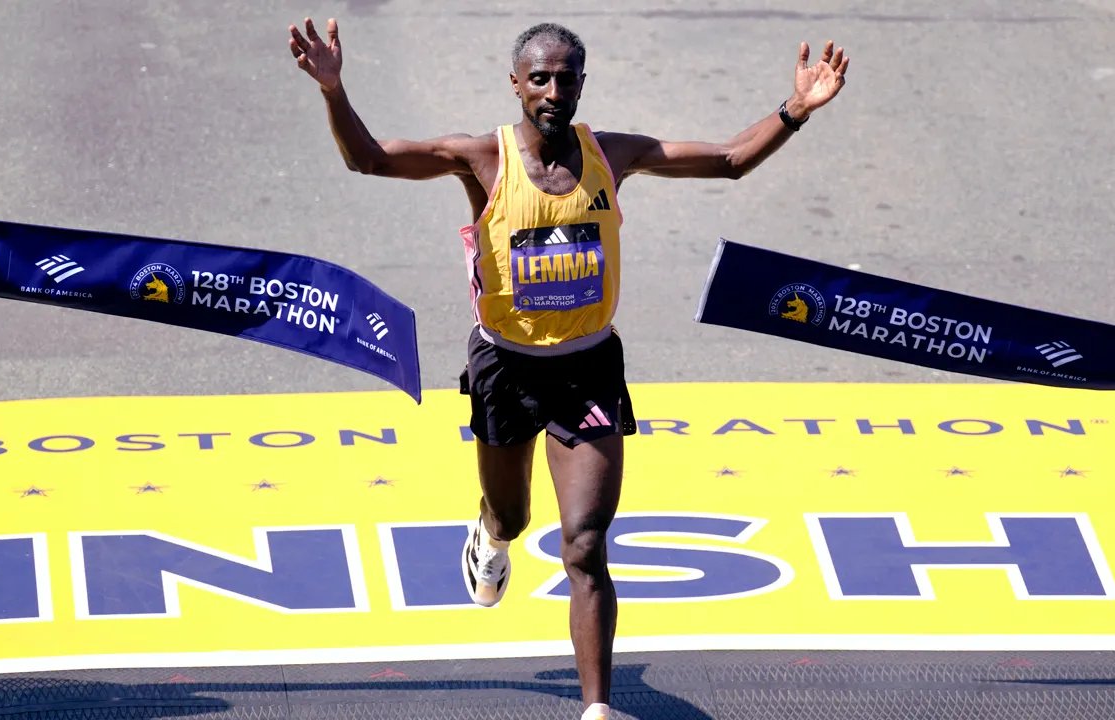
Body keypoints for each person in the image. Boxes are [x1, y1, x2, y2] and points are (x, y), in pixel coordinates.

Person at [288, 17, 848, 720]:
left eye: (567, 78)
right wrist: (334, 90)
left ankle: (598, 709)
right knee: (515, 516)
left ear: (583, 83)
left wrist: (797, 107)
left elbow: (730, 160)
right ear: (517, 83)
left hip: (587, 368)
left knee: (584, 542)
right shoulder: (481, 159)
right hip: (505, 366)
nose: (554, 90)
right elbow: (369, 158)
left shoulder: (609, 154)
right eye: (540, 78)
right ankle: (489, 534)